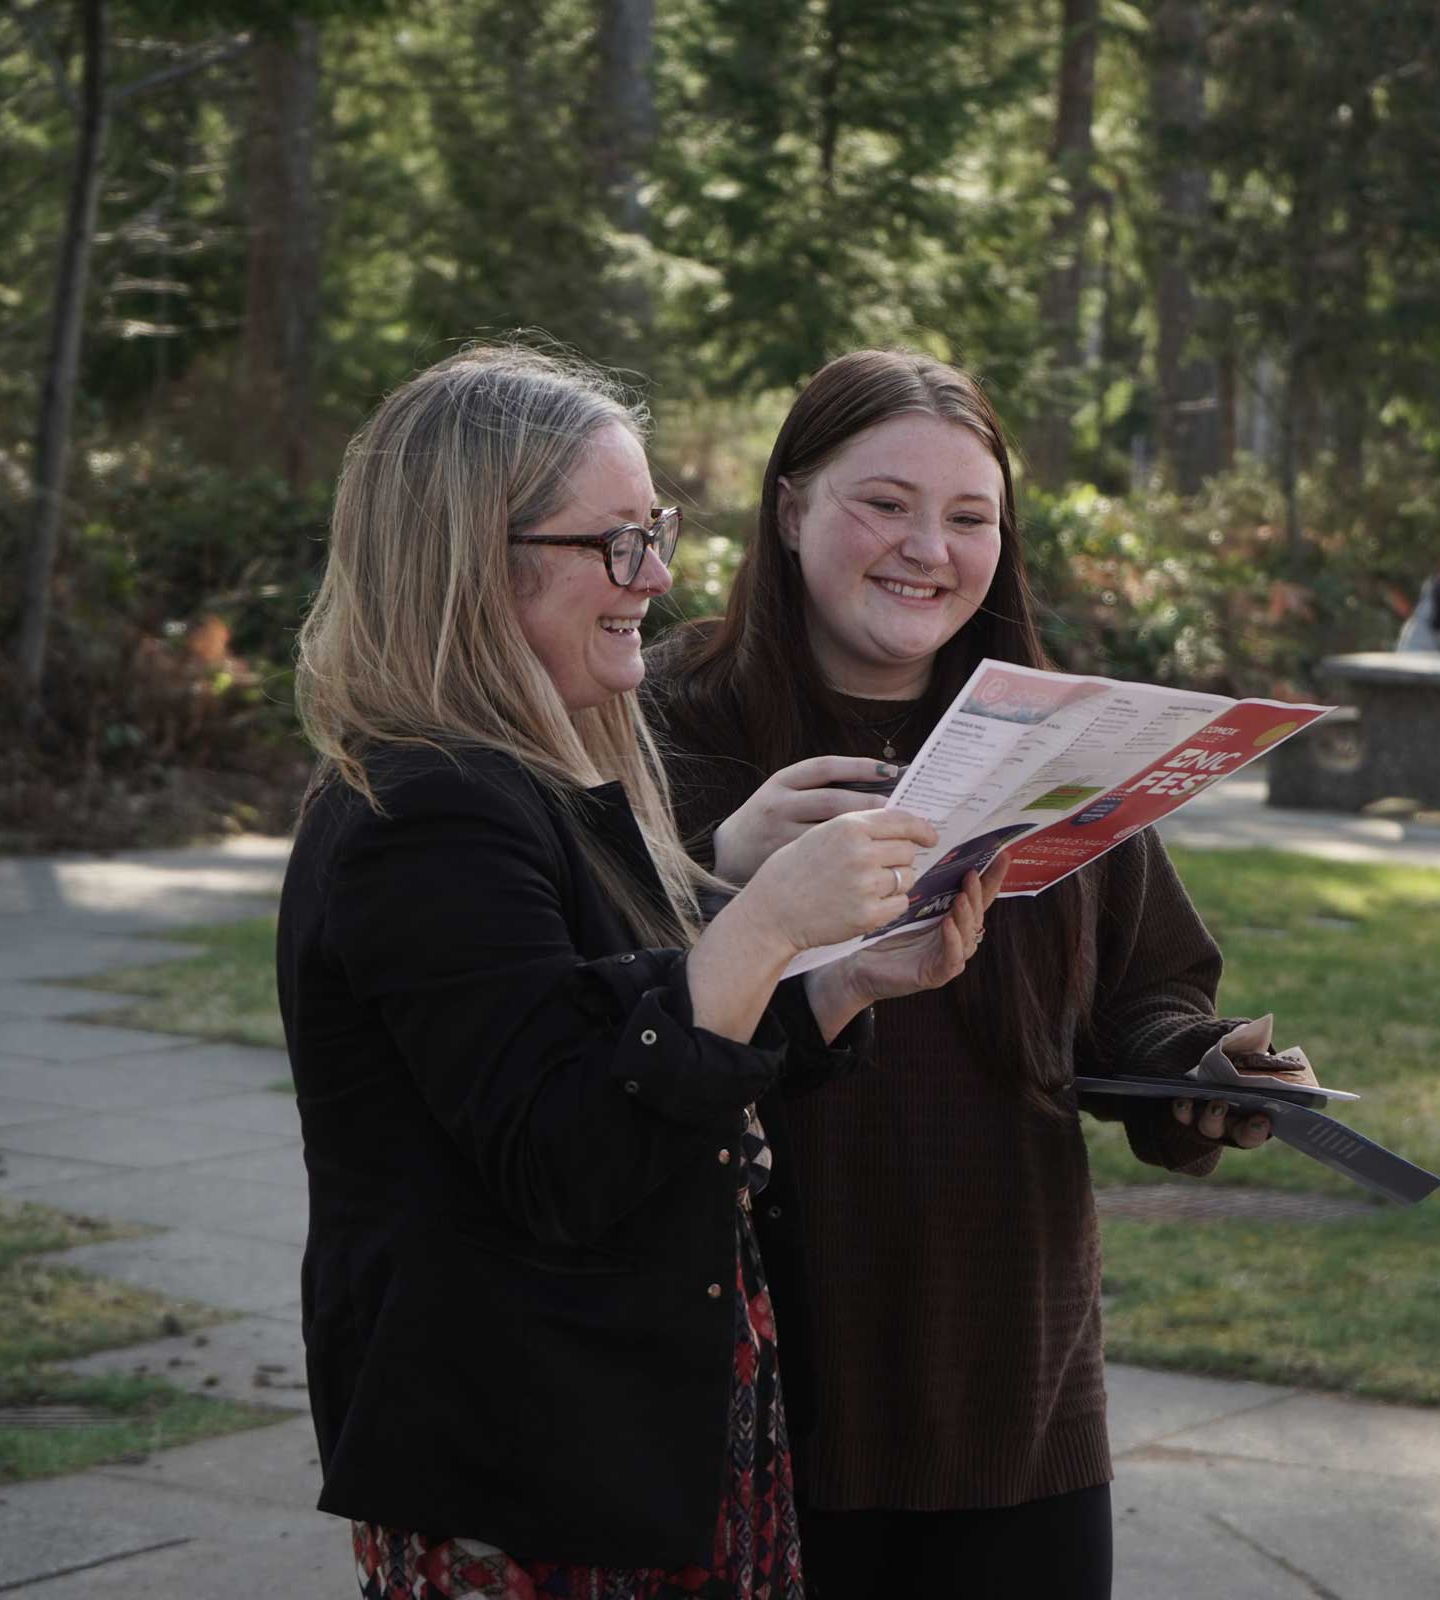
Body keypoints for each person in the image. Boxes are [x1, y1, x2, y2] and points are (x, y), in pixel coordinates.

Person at [277, 346, 1004, 1600]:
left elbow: (633, 1039)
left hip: (632, 1445)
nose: (657, 578)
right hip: (538, 1467)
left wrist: (840, 985)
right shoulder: (431, 808)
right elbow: (571, 1151)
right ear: (470, 560)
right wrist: (768, 919)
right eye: (617, 544)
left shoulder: (529, 784)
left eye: (655, 531)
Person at [643, 350, 1314, 1600]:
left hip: (1016, 1386)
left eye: (969, 518)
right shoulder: (675, 721)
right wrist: (718, 869)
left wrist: (1208, 1070)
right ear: (790, 511)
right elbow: (604, 1014)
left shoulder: (1064, 743)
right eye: (883, 503)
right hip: (760, 1380)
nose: (927, 549)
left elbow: (1145, 998)